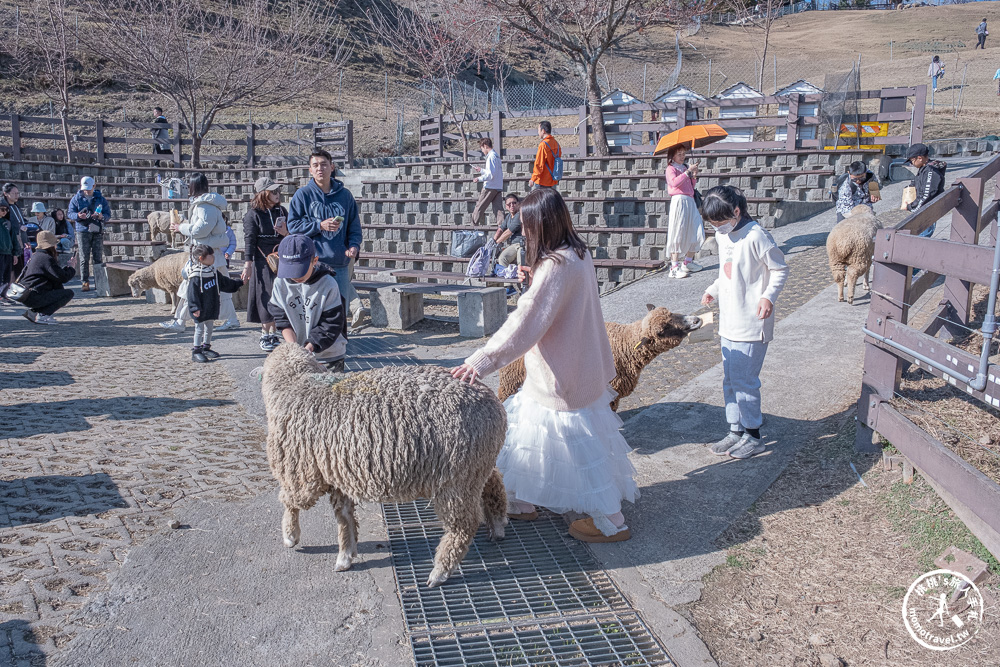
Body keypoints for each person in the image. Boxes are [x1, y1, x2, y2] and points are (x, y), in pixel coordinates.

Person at [451, 188, 638, 544]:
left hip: (561, 373)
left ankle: (612, 521)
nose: (523, 232)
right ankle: (520, 500)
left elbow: (526, 322)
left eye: (527, 225)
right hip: (578, 365)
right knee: (532, 436)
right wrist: (535, 279)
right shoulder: (577, 253)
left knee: (575, 448)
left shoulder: (555, 266)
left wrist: (481, 361)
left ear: (543, 223)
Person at [700, 186, 788, 460]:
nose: (717, 227)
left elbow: (780, 269)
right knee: (730, 380)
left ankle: (754, 436)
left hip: (751, 323)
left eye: (720, 221)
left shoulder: (757, 236)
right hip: (729, 320)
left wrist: (768, 297)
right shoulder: (723, 235)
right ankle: (735, 430)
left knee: (745, 382)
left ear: (736, 211)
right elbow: (727, 272)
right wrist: (713, 290)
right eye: (713, 224)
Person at [287, 149, 365, 328]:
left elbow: (354, 227)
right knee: (314, 311)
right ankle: (313, 342)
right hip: (313, 265)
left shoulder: (345, 196)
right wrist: (319, 226)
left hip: (340, 263)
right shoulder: (302, 195)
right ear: (310, 170)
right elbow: (293, 226)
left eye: (323, 164)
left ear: (332, 167)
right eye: (315, 165)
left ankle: (339, 343)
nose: (319, 168)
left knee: (340, 311)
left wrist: (354, 245)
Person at [163, 173, 234, 332]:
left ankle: (180, 322)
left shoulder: (204, 206)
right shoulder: (207, 204)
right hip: (210, 253)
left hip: (205, 254)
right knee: (220, 287)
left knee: (191, 286)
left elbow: (200, 230)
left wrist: (181, 228)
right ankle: (232, 319)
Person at [267, 234, 348, 372]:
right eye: (291, 271)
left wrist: (309, 348)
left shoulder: (328, 284)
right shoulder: (280, 283)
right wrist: (295, 349)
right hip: (297, 352)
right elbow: (282, 319)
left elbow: (331, 323)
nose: (295, 276)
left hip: (328, 354)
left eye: (300, 271)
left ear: (314, 261)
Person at [241, 177, 289, 351]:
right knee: (266, 296)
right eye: (273, 191)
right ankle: (265, 334)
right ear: (263, 193)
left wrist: (285, 232)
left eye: (278, 191)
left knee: (280, 296)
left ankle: (274, 332)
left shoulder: (282, 211)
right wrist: (248, 265)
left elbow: (291, 235)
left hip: (282, 258)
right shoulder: (252, 215)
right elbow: (249, 241)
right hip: (262, 261)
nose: (277, 194)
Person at [185, 244, 244, 363]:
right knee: (199, 329)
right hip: (200, 309)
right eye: (210, 255)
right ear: (201, 258)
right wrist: (194, 308)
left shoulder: (213, 272)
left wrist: (239, 283)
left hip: (211, 306)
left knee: (209, 328)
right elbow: (192, 294)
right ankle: (196, 351)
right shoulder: (195, 276)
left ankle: (206, 347)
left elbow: (225, 283)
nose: (213, 257)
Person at [19, 231, 78, 324]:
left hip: (27, 294)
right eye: (55, 244)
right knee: (68, 294)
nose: (56, 246)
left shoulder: (36, 256)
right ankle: (43, 315)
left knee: (57, 289)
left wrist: (67, 268)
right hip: (34, 295)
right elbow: (63, 278)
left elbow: (56, 275)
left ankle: (34, 312)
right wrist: (71, 267)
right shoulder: (46, 258)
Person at [665, 144, 705, 279]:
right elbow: (674, 183)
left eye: (683, 153)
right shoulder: (671, 169)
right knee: (678, 231)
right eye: (679, 154)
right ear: (672, 156)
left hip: (690, 200)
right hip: (679, 200)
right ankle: (674, 266)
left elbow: (691, 187)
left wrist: (693, 176)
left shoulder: (684, 167)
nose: (682, 156)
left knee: (697, 229)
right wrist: (688, 172)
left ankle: (687, 261)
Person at [67, 176, 111, 292]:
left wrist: (102, 216)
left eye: (89, 189)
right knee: (84, 257)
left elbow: (108, 214)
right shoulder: (76, 199)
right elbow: (70, 213)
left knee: (98, 257)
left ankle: (98, 281)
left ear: (94, 186)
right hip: (83, 230)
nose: (87, 191)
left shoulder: (101, 199)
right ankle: (85, 281)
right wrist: (78, 216)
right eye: (85, 189)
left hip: (97, 230)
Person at [905, 143, 947, 238]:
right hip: (923, 209)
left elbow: (927, 194)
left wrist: (912, 207)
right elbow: (917, 183)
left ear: (920, 158)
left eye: (912, 160)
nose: (911, 163)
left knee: (922, 235)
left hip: (928, 210)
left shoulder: (931, 171)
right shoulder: (923, 169)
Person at [471, 138, 504, 227]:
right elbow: (493, 172)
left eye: (482, 148)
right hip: (498, 186)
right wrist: (481, 170)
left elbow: (490, 175)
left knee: (479, 207)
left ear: (485, 146)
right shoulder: (496, 156)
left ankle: (473, 227)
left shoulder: (490, 157)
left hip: (490, 186)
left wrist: (479, 178)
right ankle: (502, 229)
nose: (482, 151)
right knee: (499, 210)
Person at [215, 223, 241, 331]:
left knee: (224, 288)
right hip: (215, 259)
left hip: (220, 259)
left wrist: (228, 252)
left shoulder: (227, 231)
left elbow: (232, 243)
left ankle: (231, 318)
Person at [0, 200, 24, 303]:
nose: (4, 211)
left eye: (6, 210)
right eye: (2, 209)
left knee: (7, 276)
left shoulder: (8, 223)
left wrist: (15, 254)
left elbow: (14, 239)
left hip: (8, 253)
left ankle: (4, 294)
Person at [530, 121, 561, 190]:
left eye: (538, 130)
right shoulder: (556, 143)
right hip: (553, 180)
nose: (538, 132)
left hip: (542, 181)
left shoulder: (543, 145)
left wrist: (533, 178)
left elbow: (539, 164)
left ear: (543, 131)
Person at [2, 183, 28, 263]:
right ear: (5, 194)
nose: (16, 195)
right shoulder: (4, 209)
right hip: (9, 244)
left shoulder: (17, 207)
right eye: (13, 193)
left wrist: (27, 240)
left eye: (17, 193)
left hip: (21, 242)